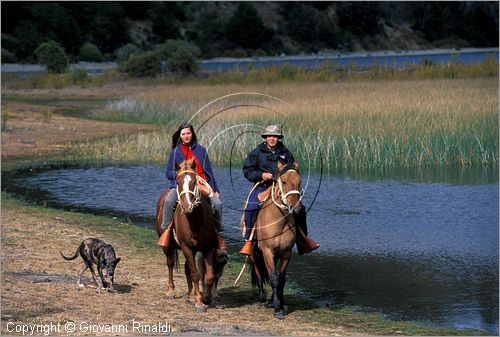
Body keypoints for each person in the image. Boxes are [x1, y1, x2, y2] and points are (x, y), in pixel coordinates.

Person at [240, 124, 320, 256]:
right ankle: (250, 240)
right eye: (270, 136)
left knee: (300, 209)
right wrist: (261, 175)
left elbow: (293, 169)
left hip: (283, 187)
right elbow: (247, 170)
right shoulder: (257, 152)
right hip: (262, 186)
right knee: (251, 207)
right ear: (265, 138)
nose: (272, 139)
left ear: (279, 138)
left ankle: (302, 240)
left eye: (275, 136)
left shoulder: (285, 152)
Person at [159, 122, 226, 250]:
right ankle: (166, 230)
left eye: (188, 133)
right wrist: (181, 175)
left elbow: (209, 172)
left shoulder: (201, 150)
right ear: (180, 136)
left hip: (201, 183)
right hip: (182, 183)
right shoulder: (175, 152)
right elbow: (168, 172)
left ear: (192, 134)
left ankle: (218, 234)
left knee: (217, 204)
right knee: (168, 201)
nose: (186, 136)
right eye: (183, 134)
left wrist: (215, 189)